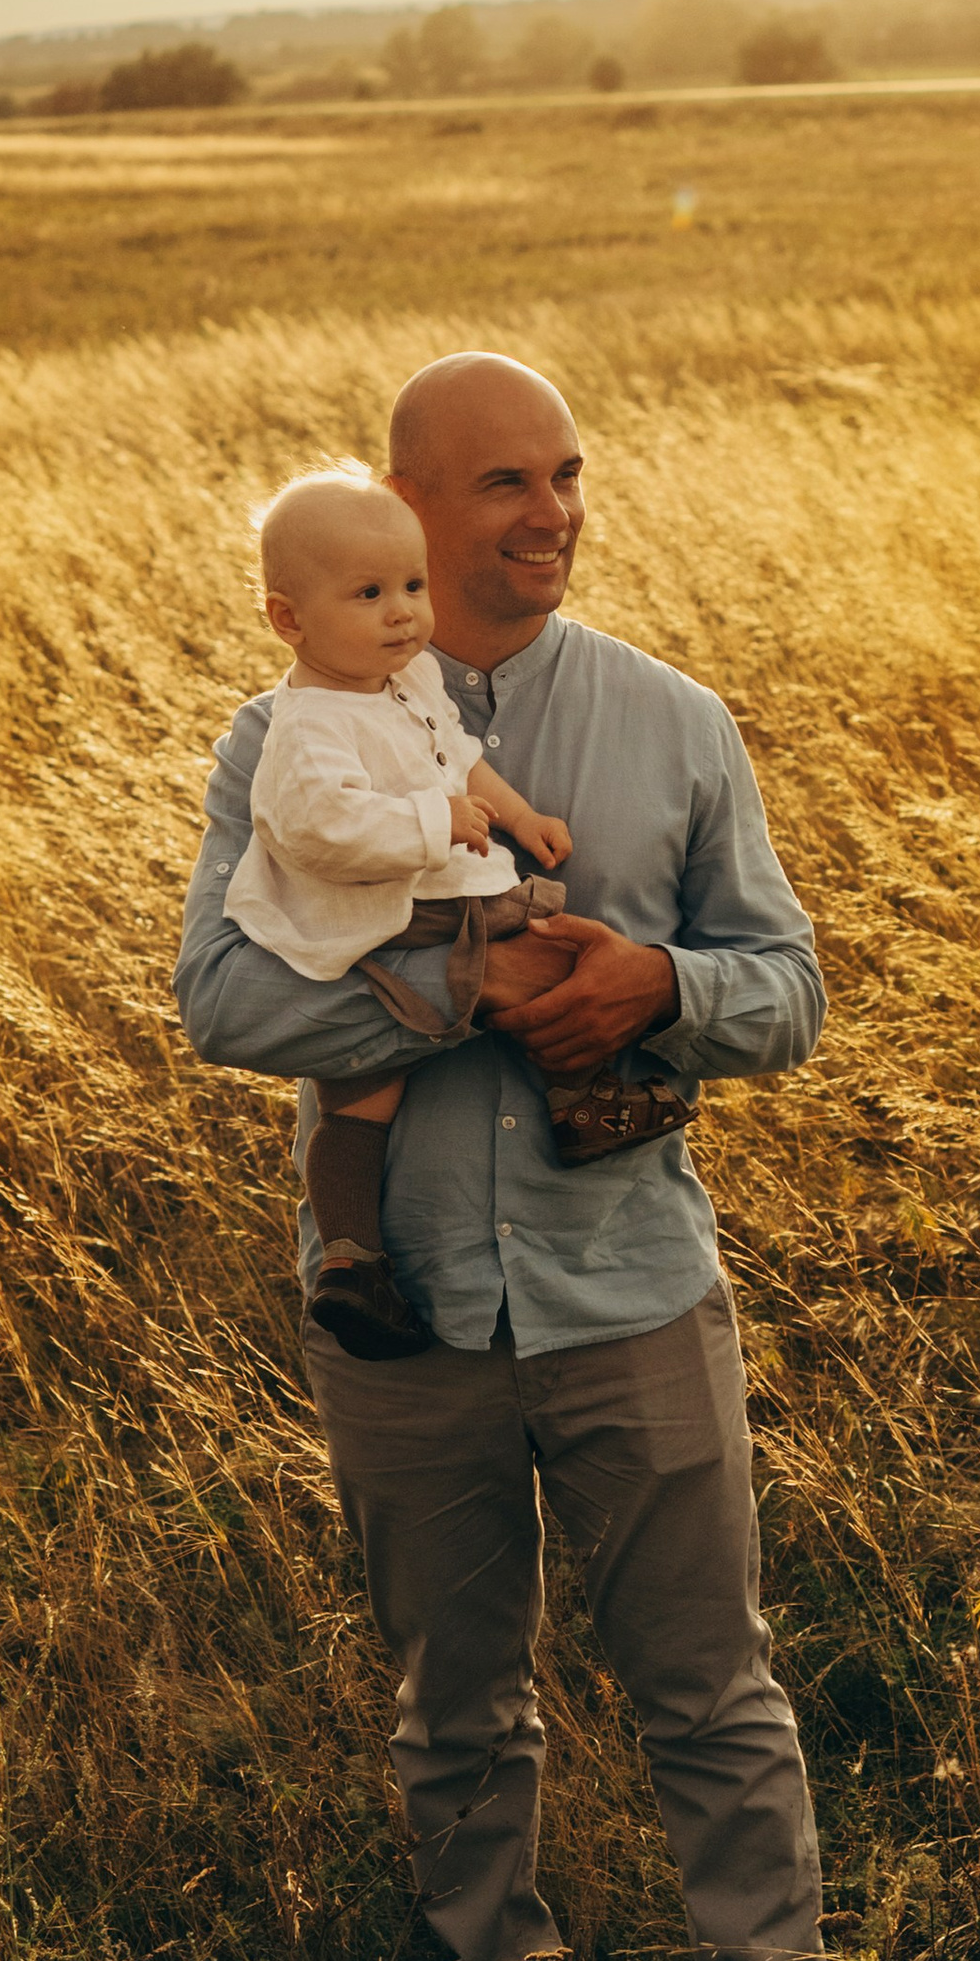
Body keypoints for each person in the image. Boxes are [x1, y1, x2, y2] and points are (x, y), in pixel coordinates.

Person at [174, 350, 840, 1961]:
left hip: (631, 1287)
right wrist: (460, 1001)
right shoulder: (281, 740)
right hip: (402, 1319)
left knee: (710, 1679)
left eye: (566, 476)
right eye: (502, 487)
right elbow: (221, 998)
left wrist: (659, 990)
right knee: (452, 1700)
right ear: (401, 504)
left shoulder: (672, 722)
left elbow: (789, 996)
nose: (550, 515)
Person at [225, 462, 696, 1364]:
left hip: (437, 896)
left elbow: (459, 759)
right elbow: (322, 831)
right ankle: (365, 1249)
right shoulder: (309, 724)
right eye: (369, 594)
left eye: (412, 586)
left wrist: (515, 815)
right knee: (533, 976)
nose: (403, 612)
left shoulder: (405, 683)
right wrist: (432, 821)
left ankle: (367, 1256)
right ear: (290, 618)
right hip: (397, 916)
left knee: (370, 1092)